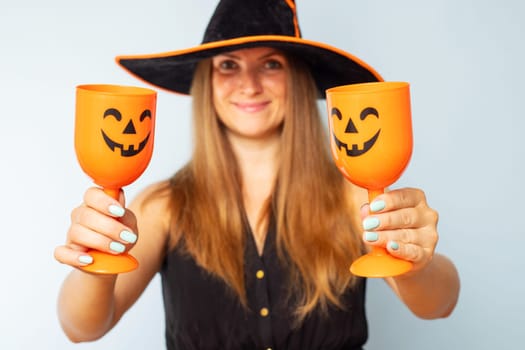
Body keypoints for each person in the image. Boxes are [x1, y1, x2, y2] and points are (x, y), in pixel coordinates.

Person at [54, 0, 460, 349]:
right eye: (228, 65)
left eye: (270, 64)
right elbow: (81, 328)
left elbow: (440, 305)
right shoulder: (163, 206)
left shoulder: (354, 198)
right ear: (207, 82)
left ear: (298, 80)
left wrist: (418, 260)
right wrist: (92, 259)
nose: (248, 85)